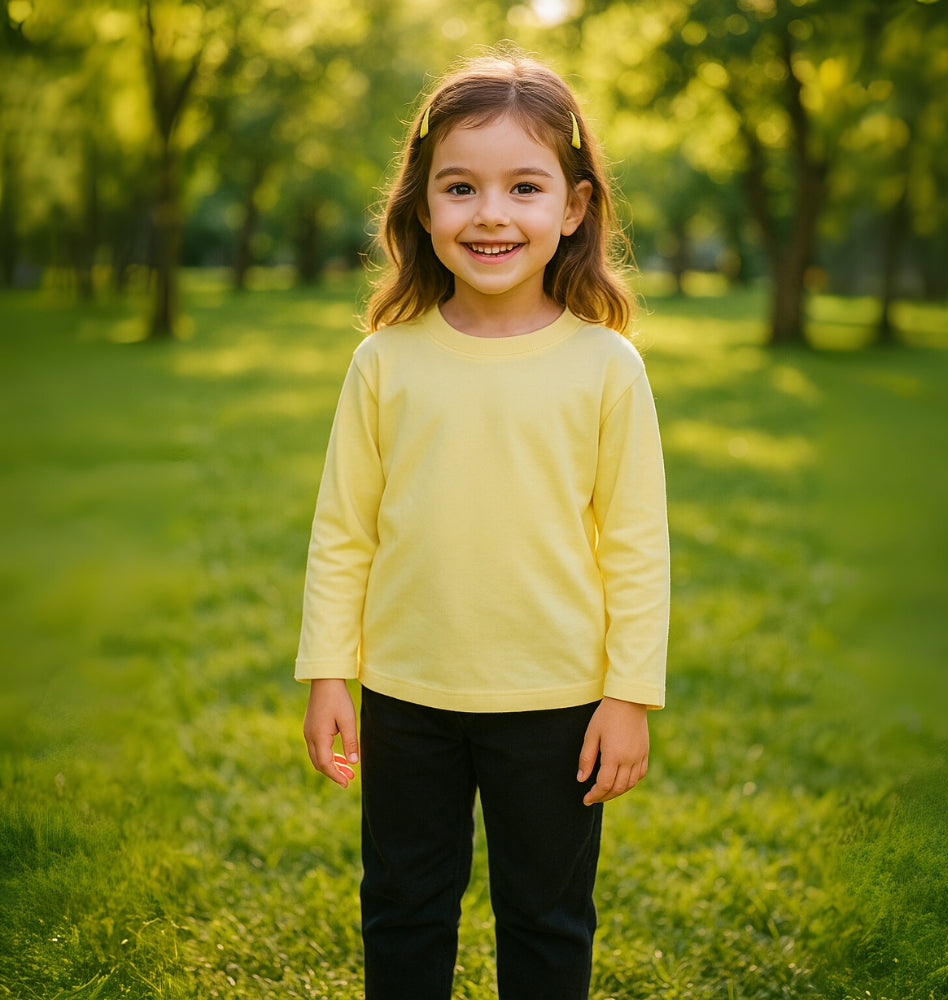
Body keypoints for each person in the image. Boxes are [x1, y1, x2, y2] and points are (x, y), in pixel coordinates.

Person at [296, 49, 670, 1000]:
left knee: (546, 920)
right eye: (460, 187)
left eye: (524, 187)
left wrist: (629, 695)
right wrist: (329, 671)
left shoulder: (605, 368)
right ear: (422, 205)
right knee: (405, 909)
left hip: (556, 703)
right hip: (408, 696)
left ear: (574, 206)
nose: (491, 214)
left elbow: (636, 548)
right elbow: (345, 531)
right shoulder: (386, 363)